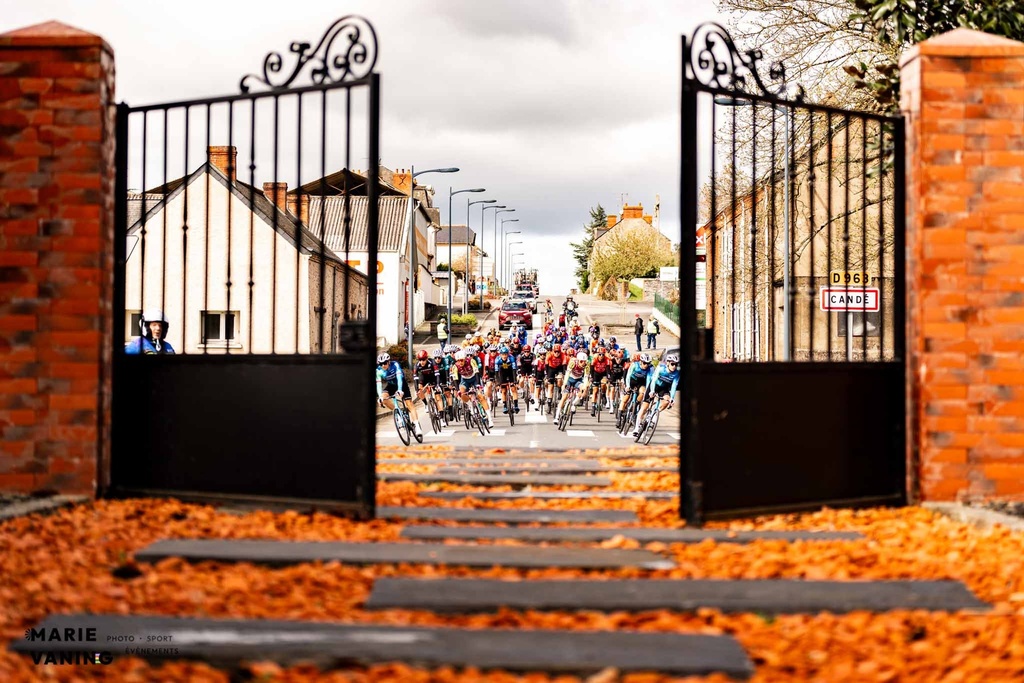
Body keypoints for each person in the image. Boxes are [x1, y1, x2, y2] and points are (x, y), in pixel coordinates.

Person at [376, 352, 423, 438]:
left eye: (385, 363)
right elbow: (378, 384)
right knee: (384, 398)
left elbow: (399, 378)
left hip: (401, 384)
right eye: (381, 364)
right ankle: (397, 413)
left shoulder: (395, 365)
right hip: (391, 385)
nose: (383, 365)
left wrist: (400, 390)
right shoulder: (379, 370)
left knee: (409, 404)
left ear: (389, 361)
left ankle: (416, 425)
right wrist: (380, 397)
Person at [634, 353, 678, 437]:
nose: (674, 366)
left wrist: (672, 398)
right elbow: (653, 380)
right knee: (644, 408)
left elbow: (674, 386)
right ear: (668, 363)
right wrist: (652, 391)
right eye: (672, 364)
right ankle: (636, 428)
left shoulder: (676, 373)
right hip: (654, 386)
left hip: (663, 389)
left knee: (667, 401)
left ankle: (654, 413)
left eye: (676, 364)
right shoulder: (661, 368)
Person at [492, 344, 520, 414]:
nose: (504, 356)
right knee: (504, 390)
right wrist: (498, 383)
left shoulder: (511, 358)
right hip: (502, 374)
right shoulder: (497, 360)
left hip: (510, 372)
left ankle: (516, 405)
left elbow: (514, 370)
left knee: (513, 389)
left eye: (505, 354)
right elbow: (496, 372)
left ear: (508, 354)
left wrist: (515, 381)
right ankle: (505, 406)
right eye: (503, 354)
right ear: (500, 355)